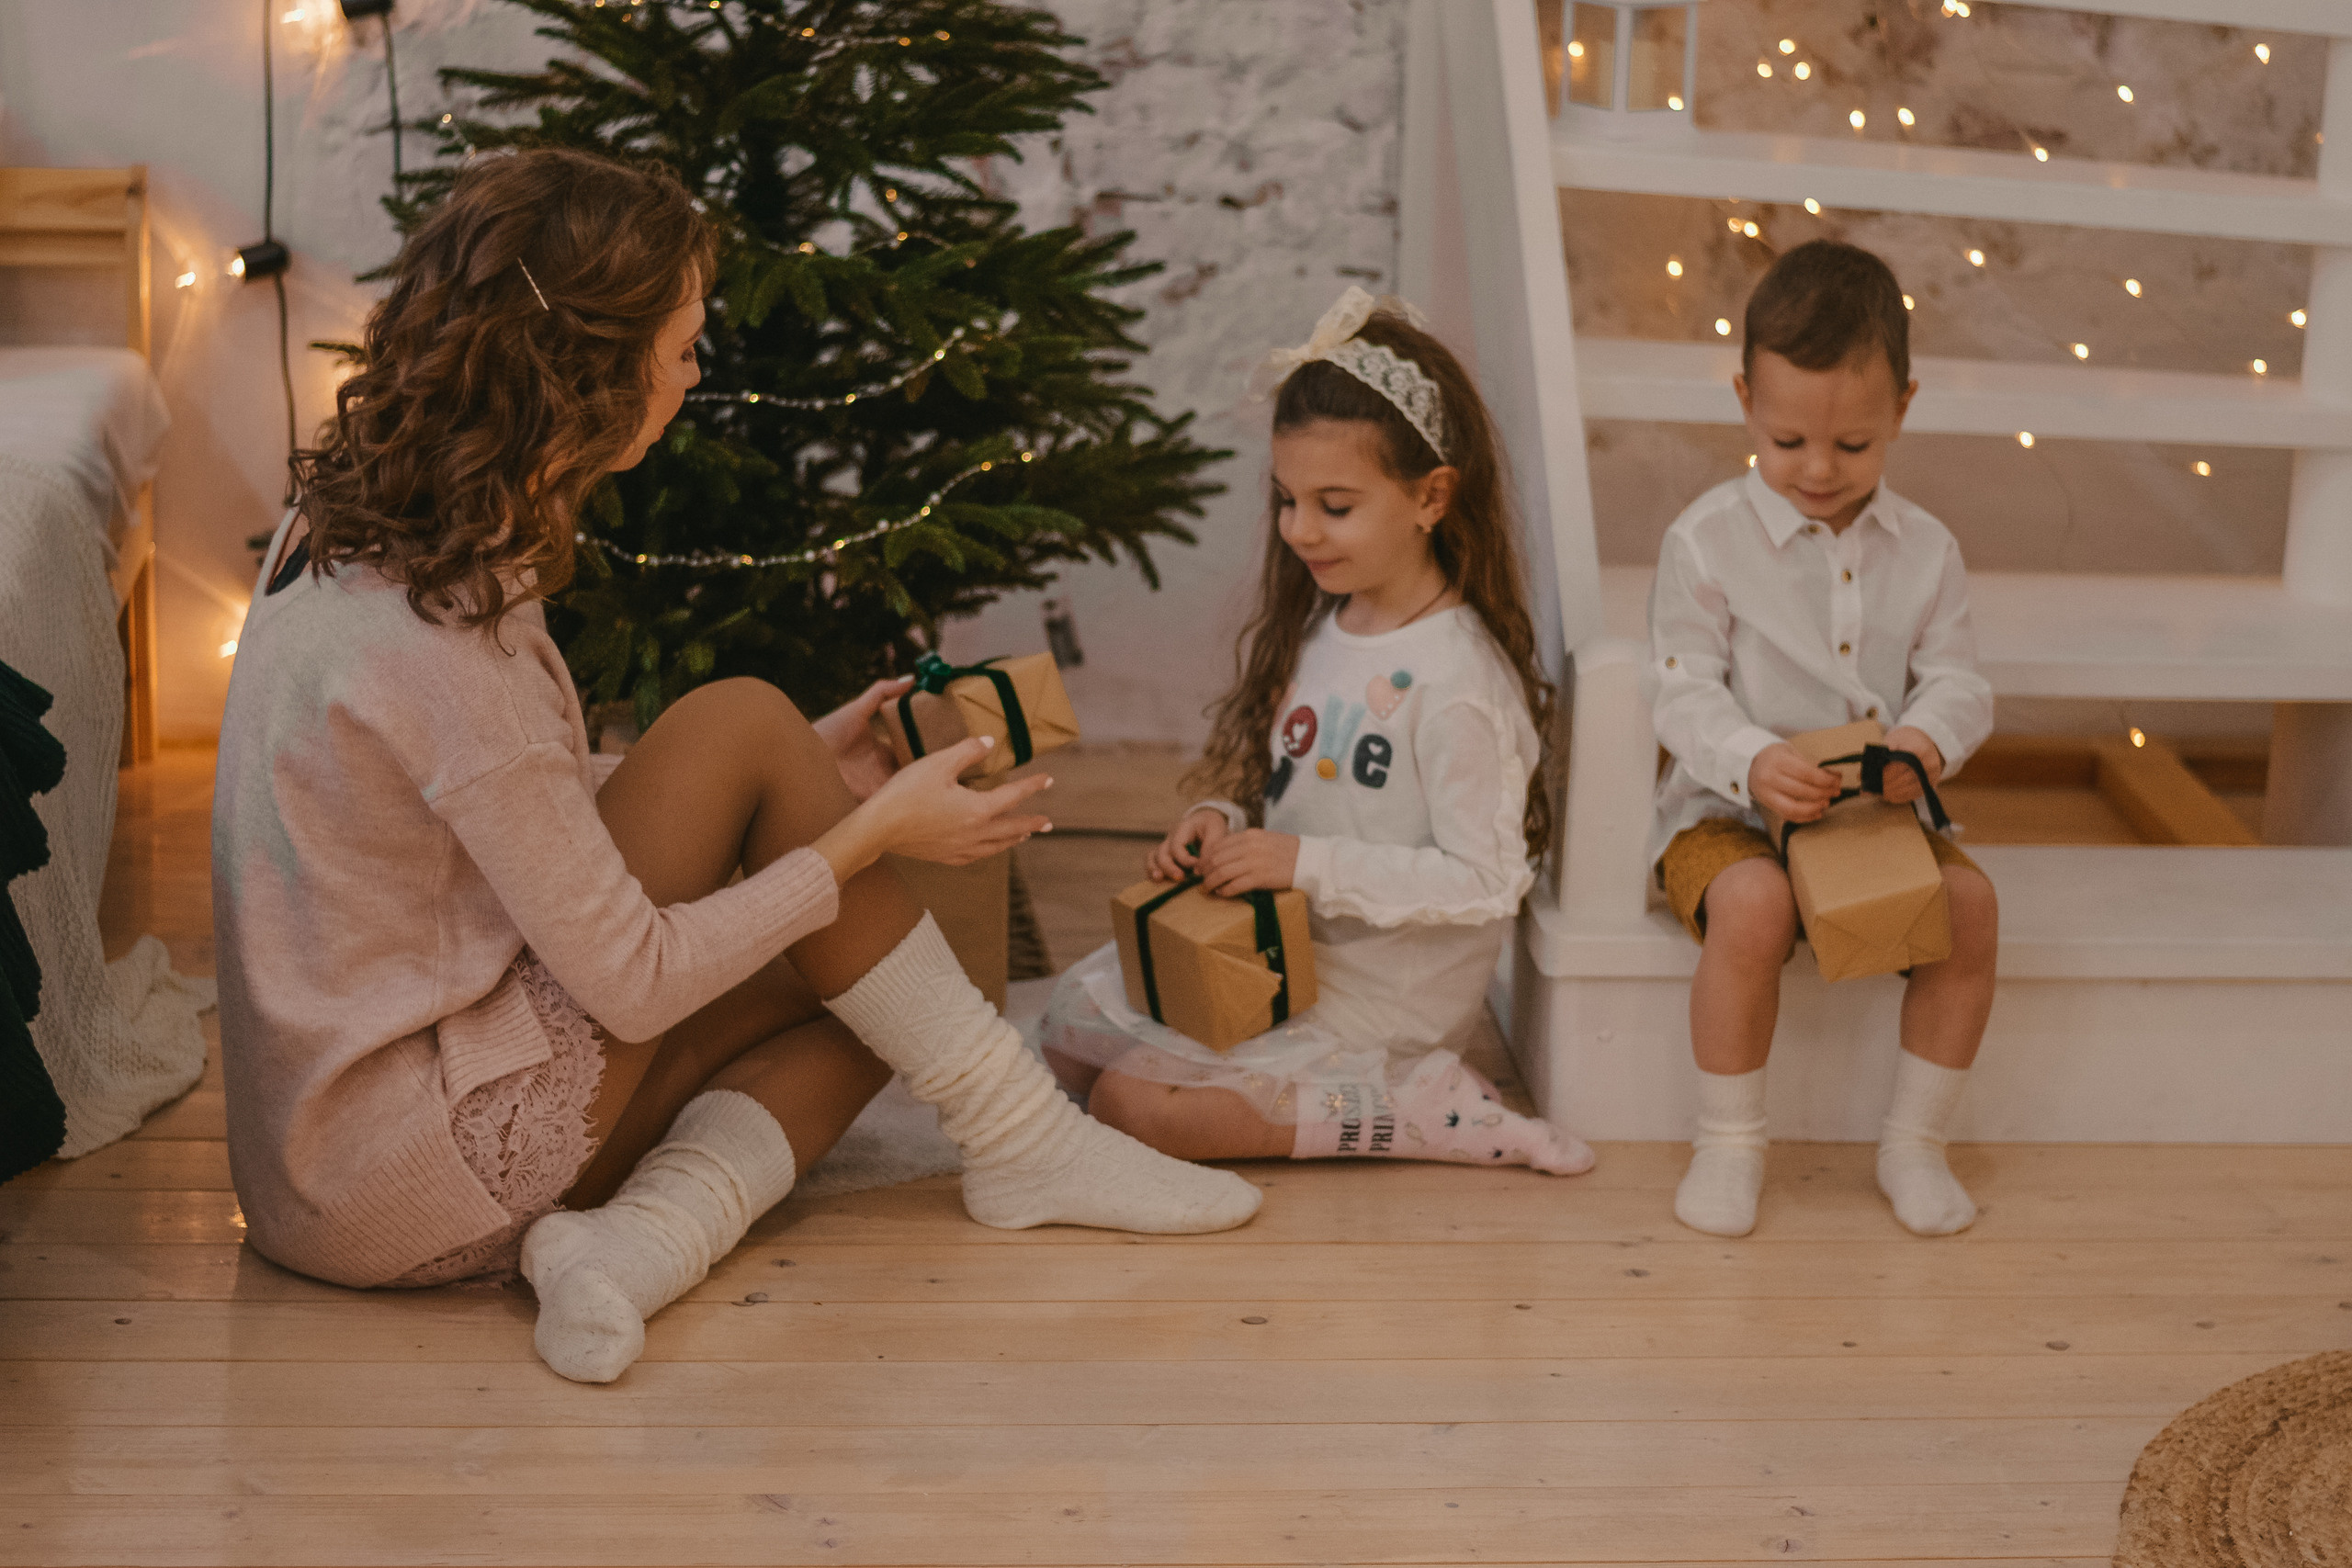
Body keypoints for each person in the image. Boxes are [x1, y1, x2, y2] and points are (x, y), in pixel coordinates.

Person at [211, 147, 1261, 1385]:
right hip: (404, 1171)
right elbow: (637, 981)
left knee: (876, 992)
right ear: (588, 373)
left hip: (314, 1170)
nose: (694, 374)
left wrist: (801, 778)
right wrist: (863, 836)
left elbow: (483, 799)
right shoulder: (447, 642)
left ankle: (633, 1243)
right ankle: (1024, 1133)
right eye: (682, 346)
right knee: (763, 761)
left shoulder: (357, 524)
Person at [1039, 288, 1592, 1176]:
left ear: (1431, 497)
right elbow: (1300, 792)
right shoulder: (1327, 625)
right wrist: (1225, 823)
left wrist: (1304, 864)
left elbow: (1486, 881)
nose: (1299, 530)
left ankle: (1414, 1111)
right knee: (1068, 1045)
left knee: (1131, 1105)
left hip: (1383, 995)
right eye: (1288, 499)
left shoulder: (1458, 684)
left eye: (1335, 505)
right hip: (1284, 950)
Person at [1646, 239, 1998, 1240]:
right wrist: (1752, 759)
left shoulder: (1926, 549)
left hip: (1868, 817)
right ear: (1745, 400)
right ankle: (1729, 1141)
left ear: (1903, 409)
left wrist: (1926, 741)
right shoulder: (1705, 540)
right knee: (1755, 906)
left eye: (1852, 445)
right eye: (1788, 439)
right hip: (1726, 815)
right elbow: (1679, 688)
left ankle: (1914, 1143)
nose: (1816, 469)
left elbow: (1959, 680)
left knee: (1970, 908)